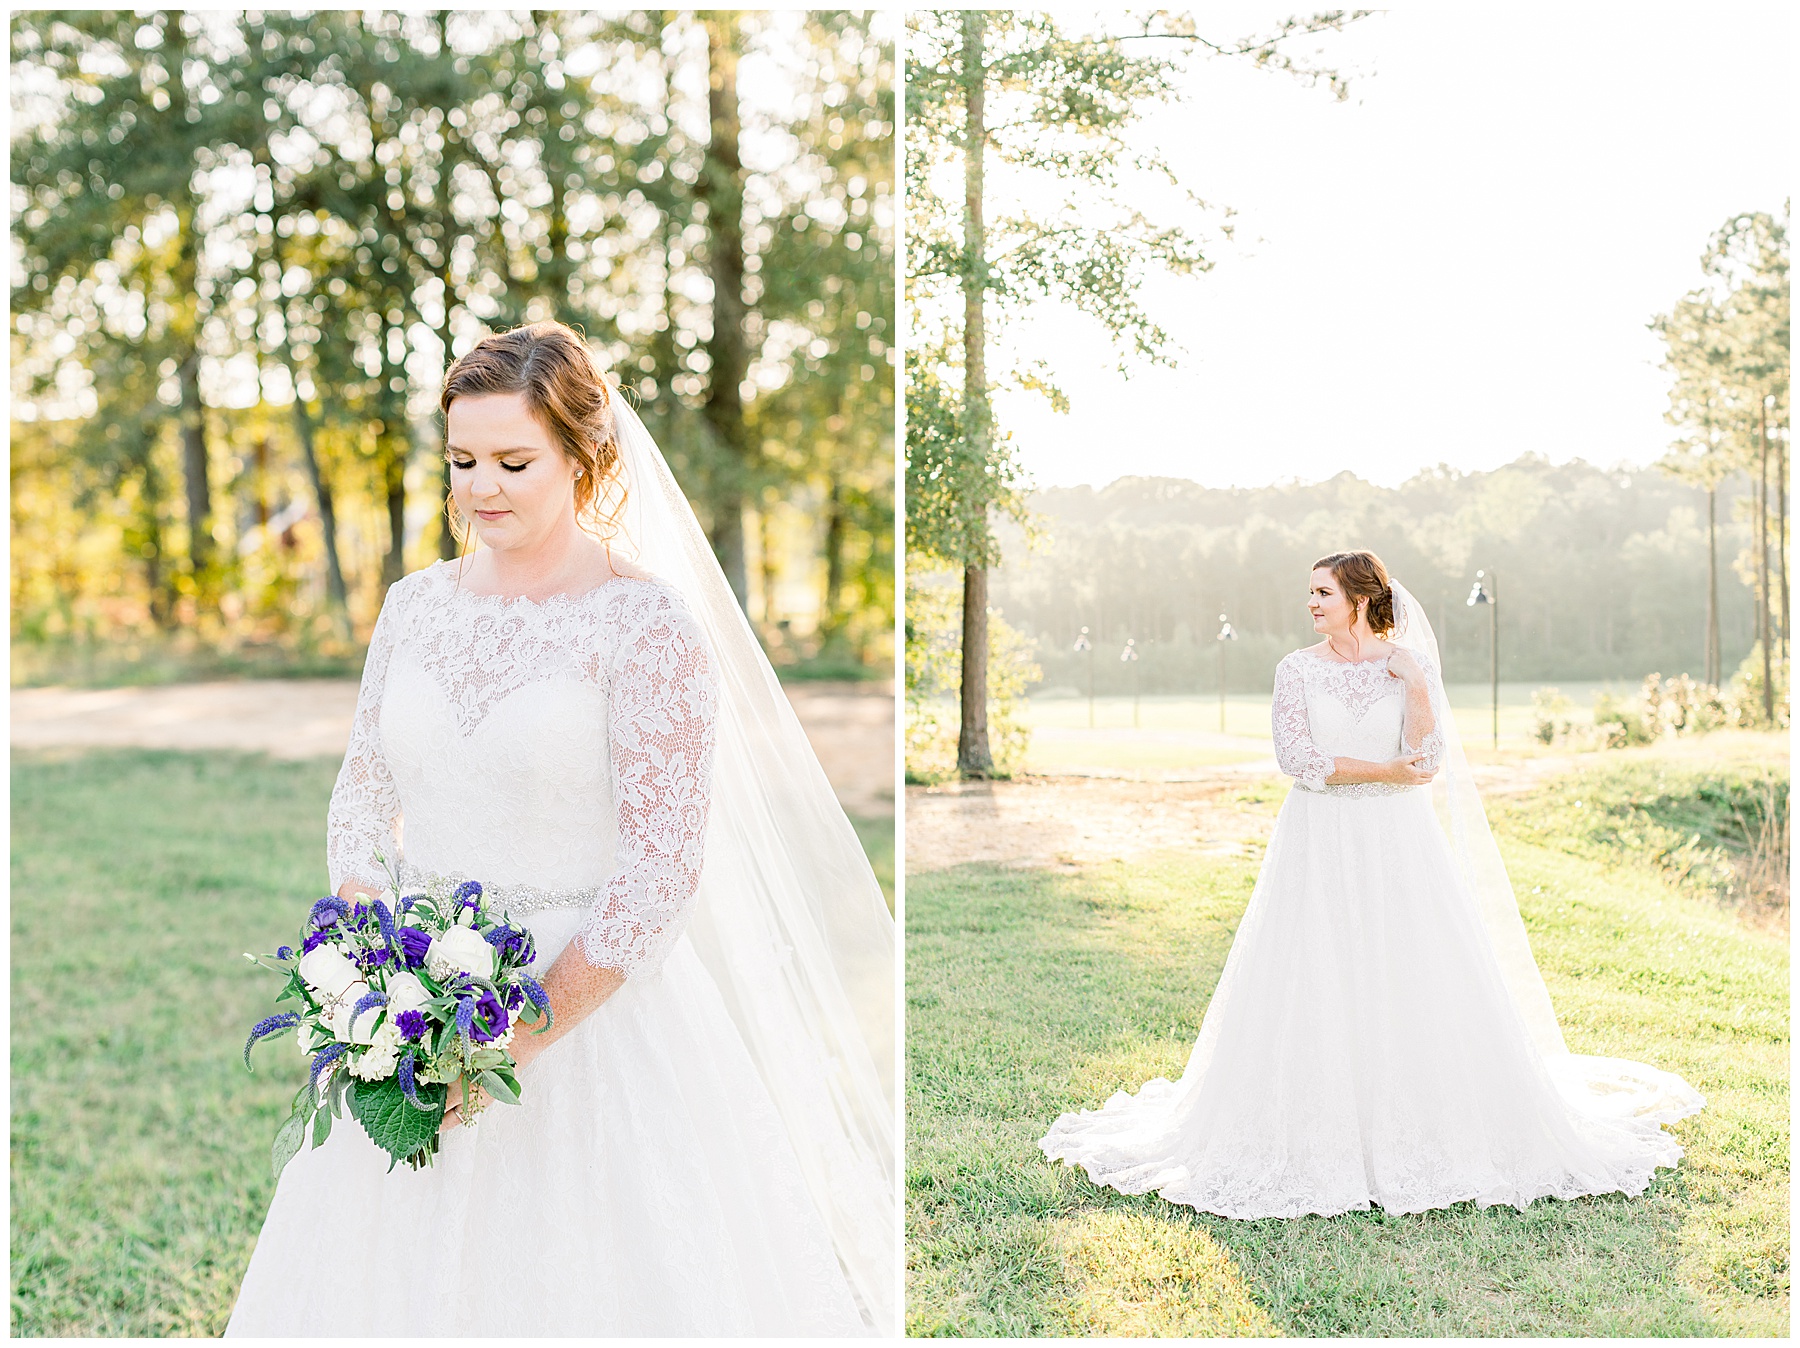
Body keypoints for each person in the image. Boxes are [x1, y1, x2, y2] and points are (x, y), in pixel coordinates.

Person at [227, 322, 894, 1335]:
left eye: (512, 460)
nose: (481, 486)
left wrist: (511, 1032)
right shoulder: (412, 609)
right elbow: (364, 791)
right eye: (461, 461)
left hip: (586, 1013)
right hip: (412, 996)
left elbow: (661, 868)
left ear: (583, 456)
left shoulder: (648, 626)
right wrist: (372, 968)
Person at [1040, 549, 1703, 1220]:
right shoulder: (1295, 669)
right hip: (1318, 838)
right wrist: (1383, 773)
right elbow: (1297, 759)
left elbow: (1428, 759)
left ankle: (1422, 1120)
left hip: (1400, 844)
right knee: (1315, 967)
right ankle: (1318, 1126)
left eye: (1323, 592)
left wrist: (1415, 682)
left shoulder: (1405, 665)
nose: (1312, 604)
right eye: (1309, 594)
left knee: (1413, 968)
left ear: (1360, 597)